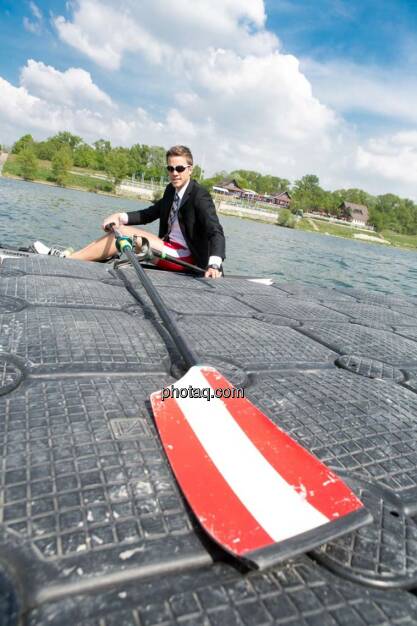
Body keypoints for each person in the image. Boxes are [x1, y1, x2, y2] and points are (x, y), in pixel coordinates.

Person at [33, 145, 225, 279]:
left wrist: (214, 264)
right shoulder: (170, 190)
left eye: (180, 168)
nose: (174, 172)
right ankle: (72, 257)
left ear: (190, 169)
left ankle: (64, 261)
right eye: (170, 168)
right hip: (168, 248)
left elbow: (215, 231)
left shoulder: (200, 195)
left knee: (125, 235)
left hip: (188, 260)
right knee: (120, 230)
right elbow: (150, 213)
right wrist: (120, 216)